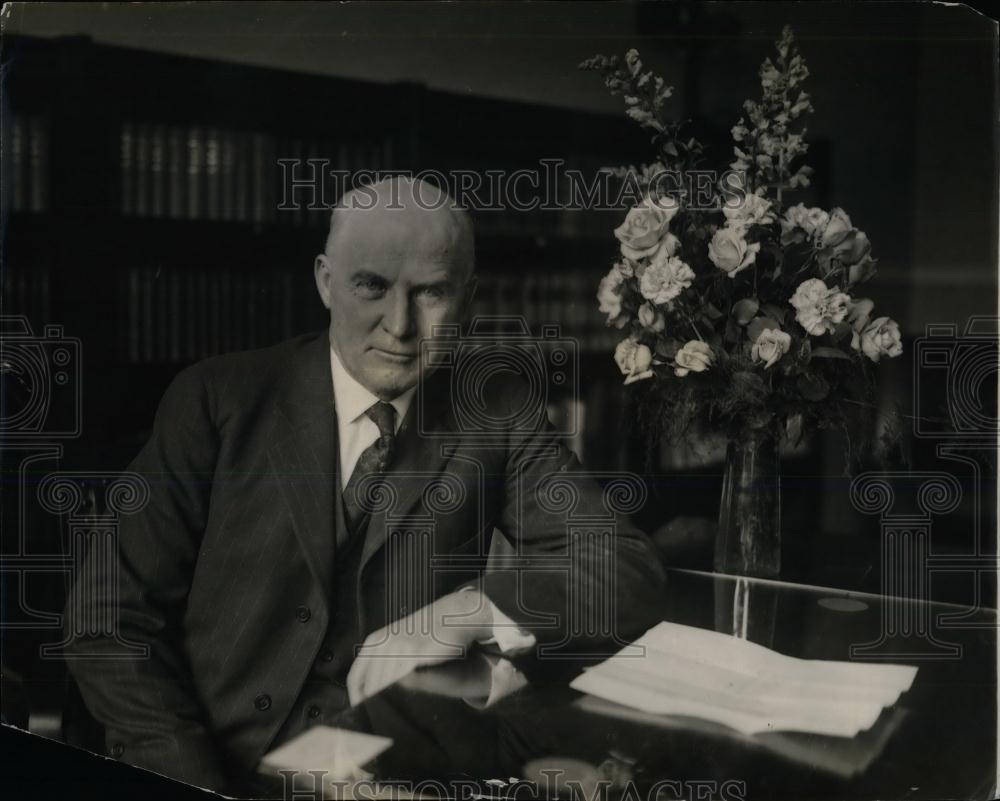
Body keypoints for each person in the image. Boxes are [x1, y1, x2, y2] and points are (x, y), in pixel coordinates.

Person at [65, 177, 666, 793]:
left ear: (468, 298)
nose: (399, 326)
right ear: (327, 282)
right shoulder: (217, 400)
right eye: (371, 286)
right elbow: (108, 622)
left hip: (381, 774)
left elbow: (624, 567)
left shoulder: (498, 413)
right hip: (201, 765)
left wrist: (467, 609)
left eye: (431, 292)